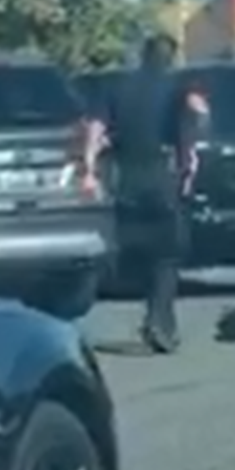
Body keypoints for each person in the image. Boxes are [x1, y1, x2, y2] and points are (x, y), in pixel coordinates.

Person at [84, 34, 207, 354]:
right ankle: (159, 320)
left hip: (126, 175)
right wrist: (189, 167)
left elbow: (95, 127)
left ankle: (150, 312)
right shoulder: (179, 86)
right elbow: (194, 119)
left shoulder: (117, 86)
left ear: (143, 55)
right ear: (171, 57)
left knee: (133, 245)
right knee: (167, 254)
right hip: (163, 174)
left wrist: (89, 168)